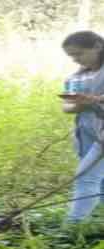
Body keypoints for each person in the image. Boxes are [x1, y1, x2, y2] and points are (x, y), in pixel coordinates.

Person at [60, 31, 104, 224]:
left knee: (86, 177)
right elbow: (66, 107)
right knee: (99, 179)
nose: (76, 60)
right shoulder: (76, 77)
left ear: (97, 46)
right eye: (71, 56)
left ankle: (73, 226)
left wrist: (97, 100)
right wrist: (78, 105)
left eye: (79, 54)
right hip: (85, 131)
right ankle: (98, 219)